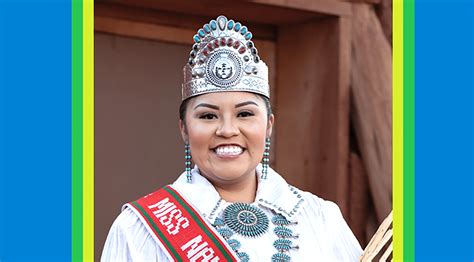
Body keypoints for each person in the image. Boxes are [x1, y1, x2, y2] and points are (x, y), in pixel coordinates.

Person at [101, 15, 363, 262]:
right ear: (183, 128)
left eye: (245, 113)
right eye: (208, 117)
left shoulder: (320, 218)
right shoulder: (137, 230)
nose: (227, 130)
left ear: (269, 125)